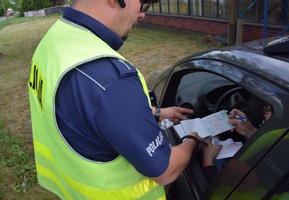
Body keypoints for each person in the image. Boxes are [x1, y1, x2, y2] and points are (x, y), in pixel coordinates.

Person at [28, 0, 205, 199]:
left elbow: (86, 114)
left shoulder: (53, 41)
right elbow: (165, 170)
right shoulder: (110, 80)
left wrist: (158, 113)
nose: (142, 15)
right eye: (142, 3)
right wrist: (192, 142)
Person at [202, 106, 272, 182]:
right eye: (266, 111)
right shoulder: (279, 135)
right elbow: (270, 145)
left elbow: (219, 186)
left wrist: (208, 160)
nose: (265, 116)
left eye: (269, 112)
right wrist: (251, 131)